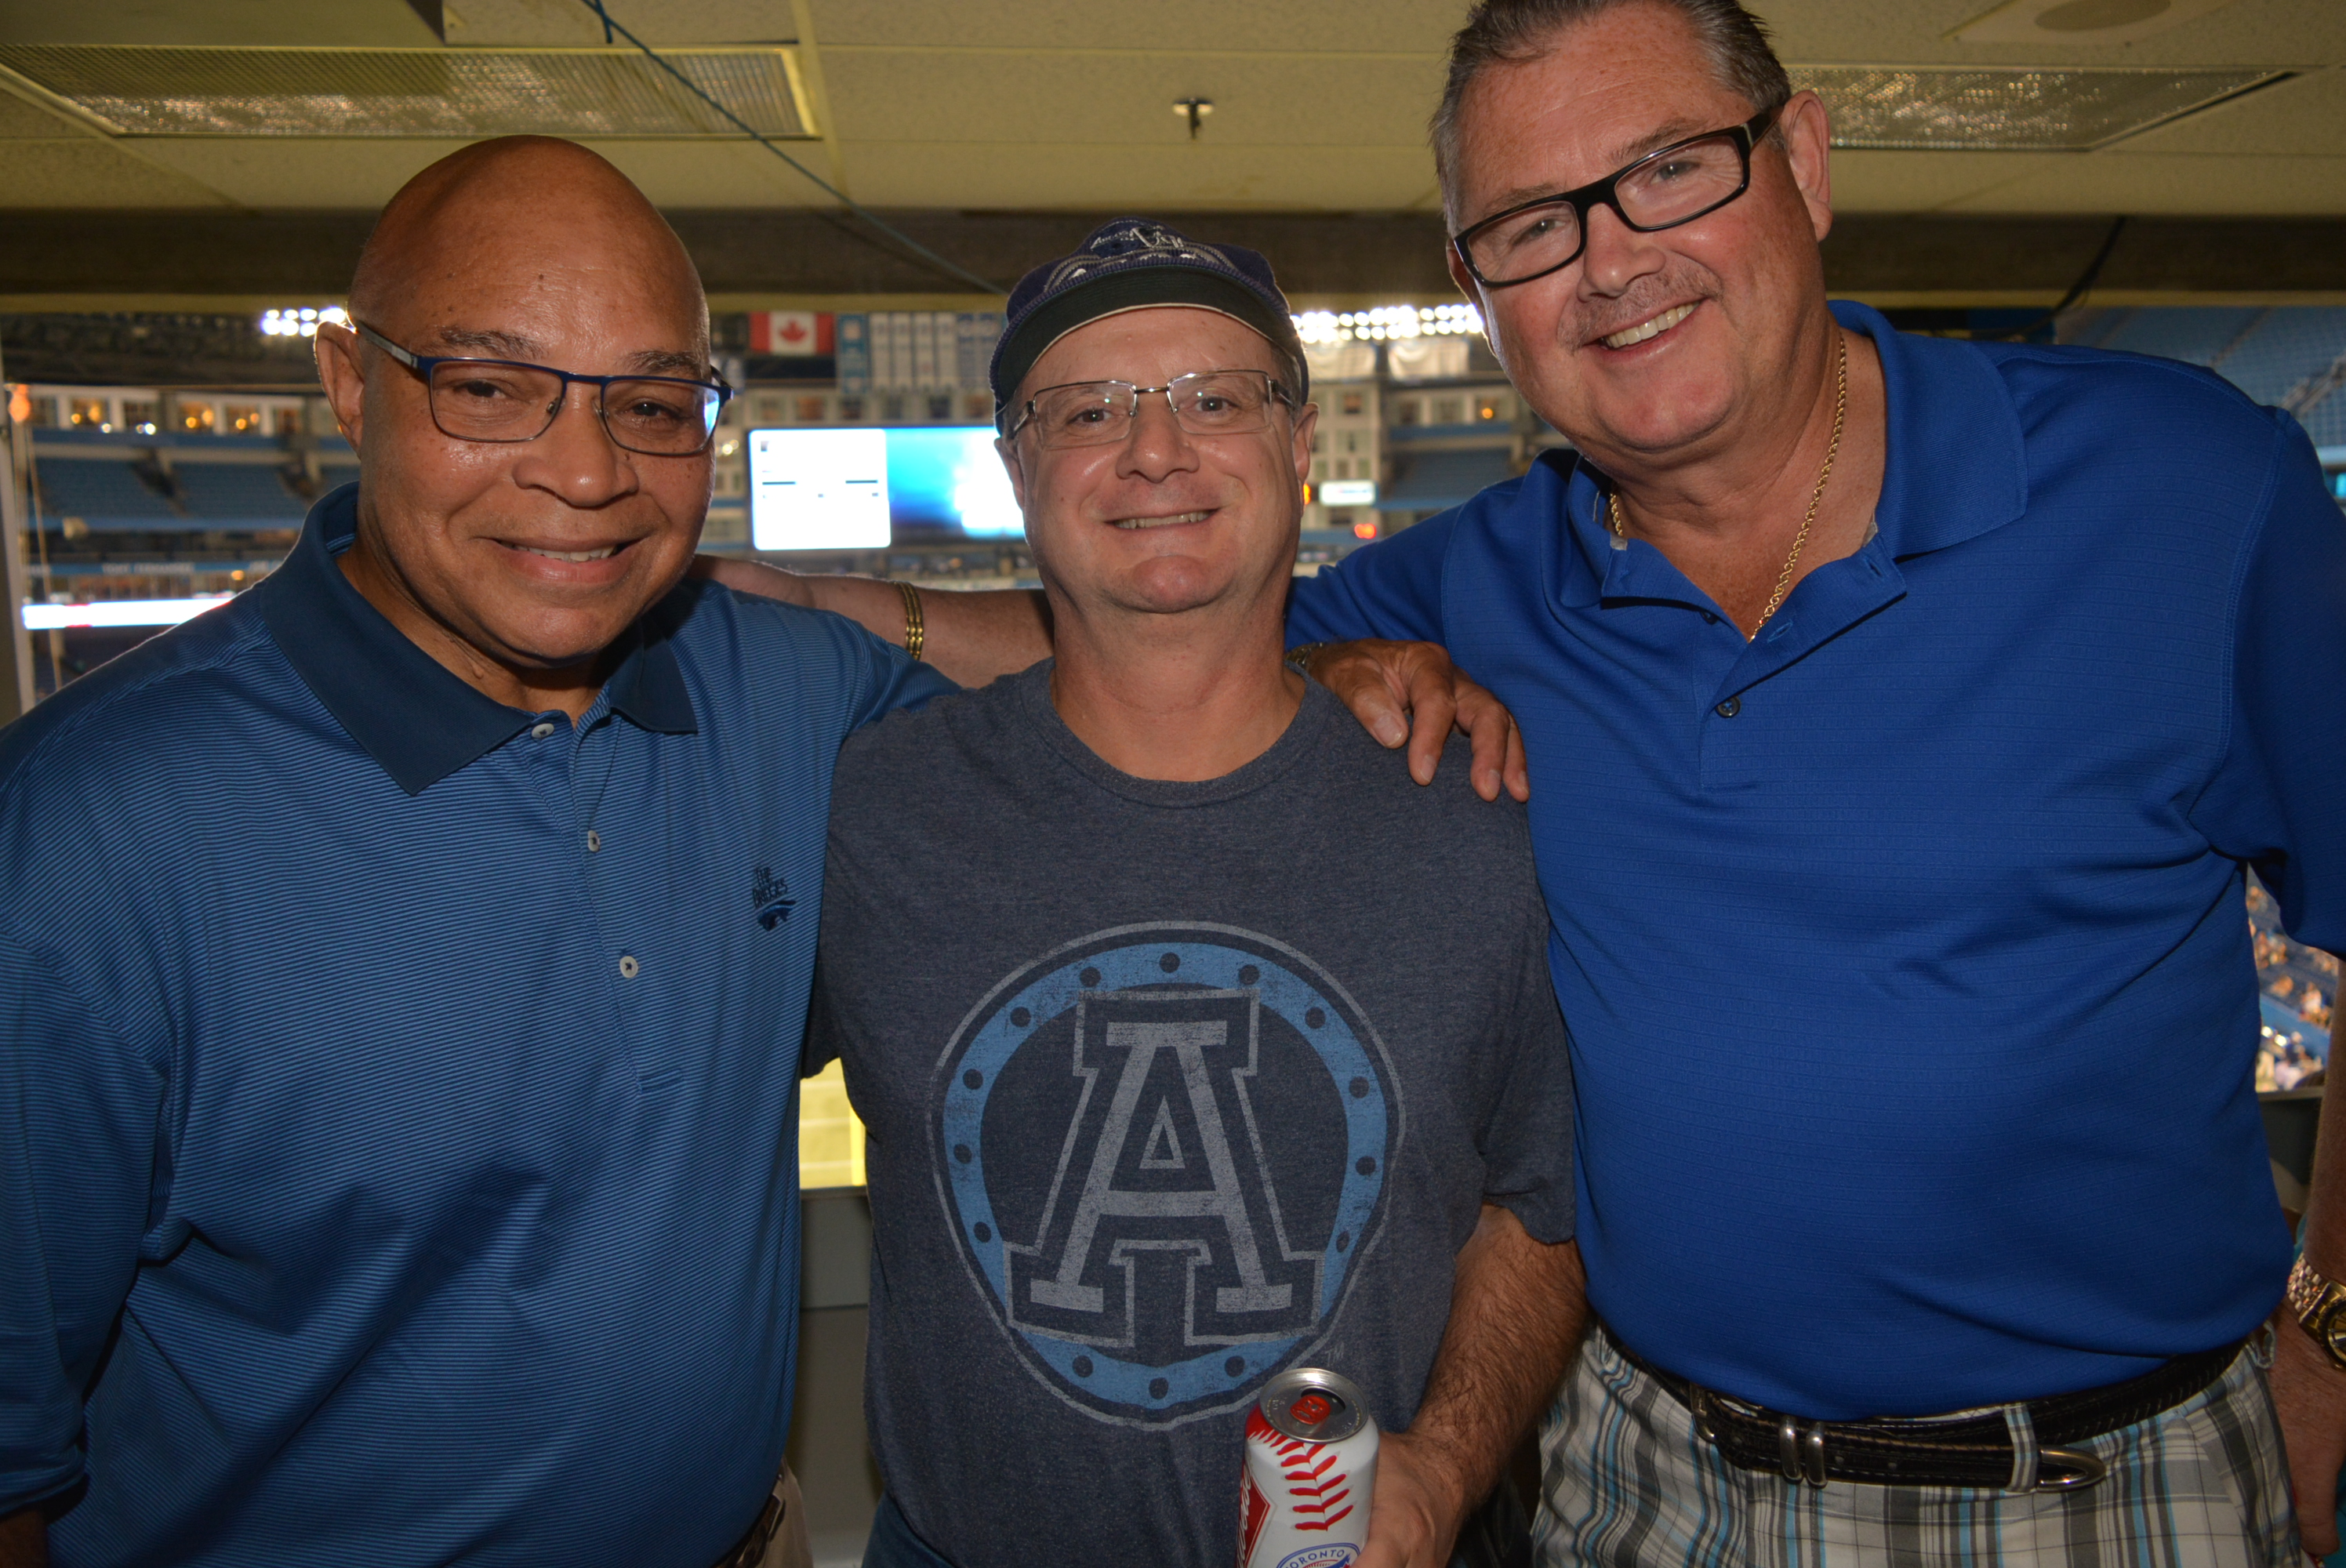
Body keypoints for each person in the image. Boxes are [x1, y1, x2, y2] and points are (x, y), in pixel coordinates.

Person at [1283, 2, 2346, 1563]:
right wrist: (1316, 664)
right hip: (1644, 1480)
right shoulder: (1478, 577)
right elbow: (1124, 648)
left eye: (1667, 170)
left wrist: (2330, 1330)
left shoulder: (2188, 489)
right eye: (1528, 225)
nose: (1608, 262)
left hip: (2107, 1488)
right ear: (1475, 287)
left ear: (1803, 162)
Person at [0, 136, 963, 1568]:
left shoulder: (788, 689)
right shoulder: (83, 831)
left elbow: (1117, 687)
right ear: (349, 383)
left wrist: (861, 609)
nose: (585, 471)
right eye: (492, 387)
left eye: (651, 404)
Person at [800, 220, 1585, 1568]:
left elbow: (1544, 1204)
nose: (1155, 450)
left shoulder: (1476, 809)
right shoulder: (869, 811)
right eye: (1087, 410)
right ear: (1014, 469)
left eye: (1216, 401)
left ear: (1300, 442)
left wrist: (1451, 1467)